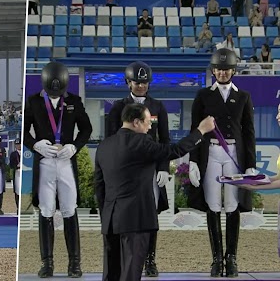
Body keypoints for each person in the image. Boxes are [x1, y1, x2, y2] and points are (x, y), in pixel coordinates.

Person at [95, 103, 215, 281]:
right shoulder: (141, 142)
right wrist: (200, 131)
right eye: (147, 121)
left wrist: (106, 216)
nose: (150, 126)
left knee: (111, 274)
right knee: (130, 273)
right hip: (136, 220)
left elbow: (99, 186)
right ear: (136, 122)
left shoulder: (104, 146)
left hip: (111, 220)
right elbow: (174, 150)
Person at [188, 48, 257, 278]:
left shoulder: (244, 96)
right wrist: (194, 161)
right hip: (211, 153)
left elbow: (248, 132)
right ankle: (216, 259)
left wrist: (250, 164)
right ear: (213, 70)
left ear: (233, 70)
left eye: (226, 69)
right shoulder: (203, 96)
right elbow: (194, 130)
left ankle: (232, 258)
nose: (222, 72)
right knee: (213, 204)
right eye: (218, 68)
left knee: (232, 204)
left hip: (234, 155)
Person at [23, 61, 93, 278]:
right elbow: (23, 130)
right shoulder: (34, 101)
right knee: (46, 211)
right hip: (44, 162)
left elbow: (86, 128)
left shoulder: (74, 101)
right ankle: (47, 263)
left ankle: (74, 263)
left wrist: (74, 146)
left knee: (69, 210)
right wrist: (35, 144)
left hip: (65, 161)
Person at [106, 61, 170, 277]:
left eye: (144, 82)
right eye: (137, 82)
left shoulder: (158, 106)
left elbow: (165, 140)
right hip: (126, 169)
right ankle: (126, 259)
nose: (141, 86)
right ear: (128, 83)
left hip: (150, 169)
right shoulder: (117, 107)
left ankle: (150, 258)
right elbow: (111, 140)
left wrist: (163, 167)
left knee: (149, 214)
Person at [9, 138, 22, 213]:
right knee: (17, 190)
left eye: (19, 144)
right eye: (17, 145)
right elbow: (11, 165)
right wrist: (16, 166)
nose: (19, 146)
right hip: (17, 172)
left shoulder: (25, 152)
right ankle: (18, 207)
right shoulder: (13, 154)